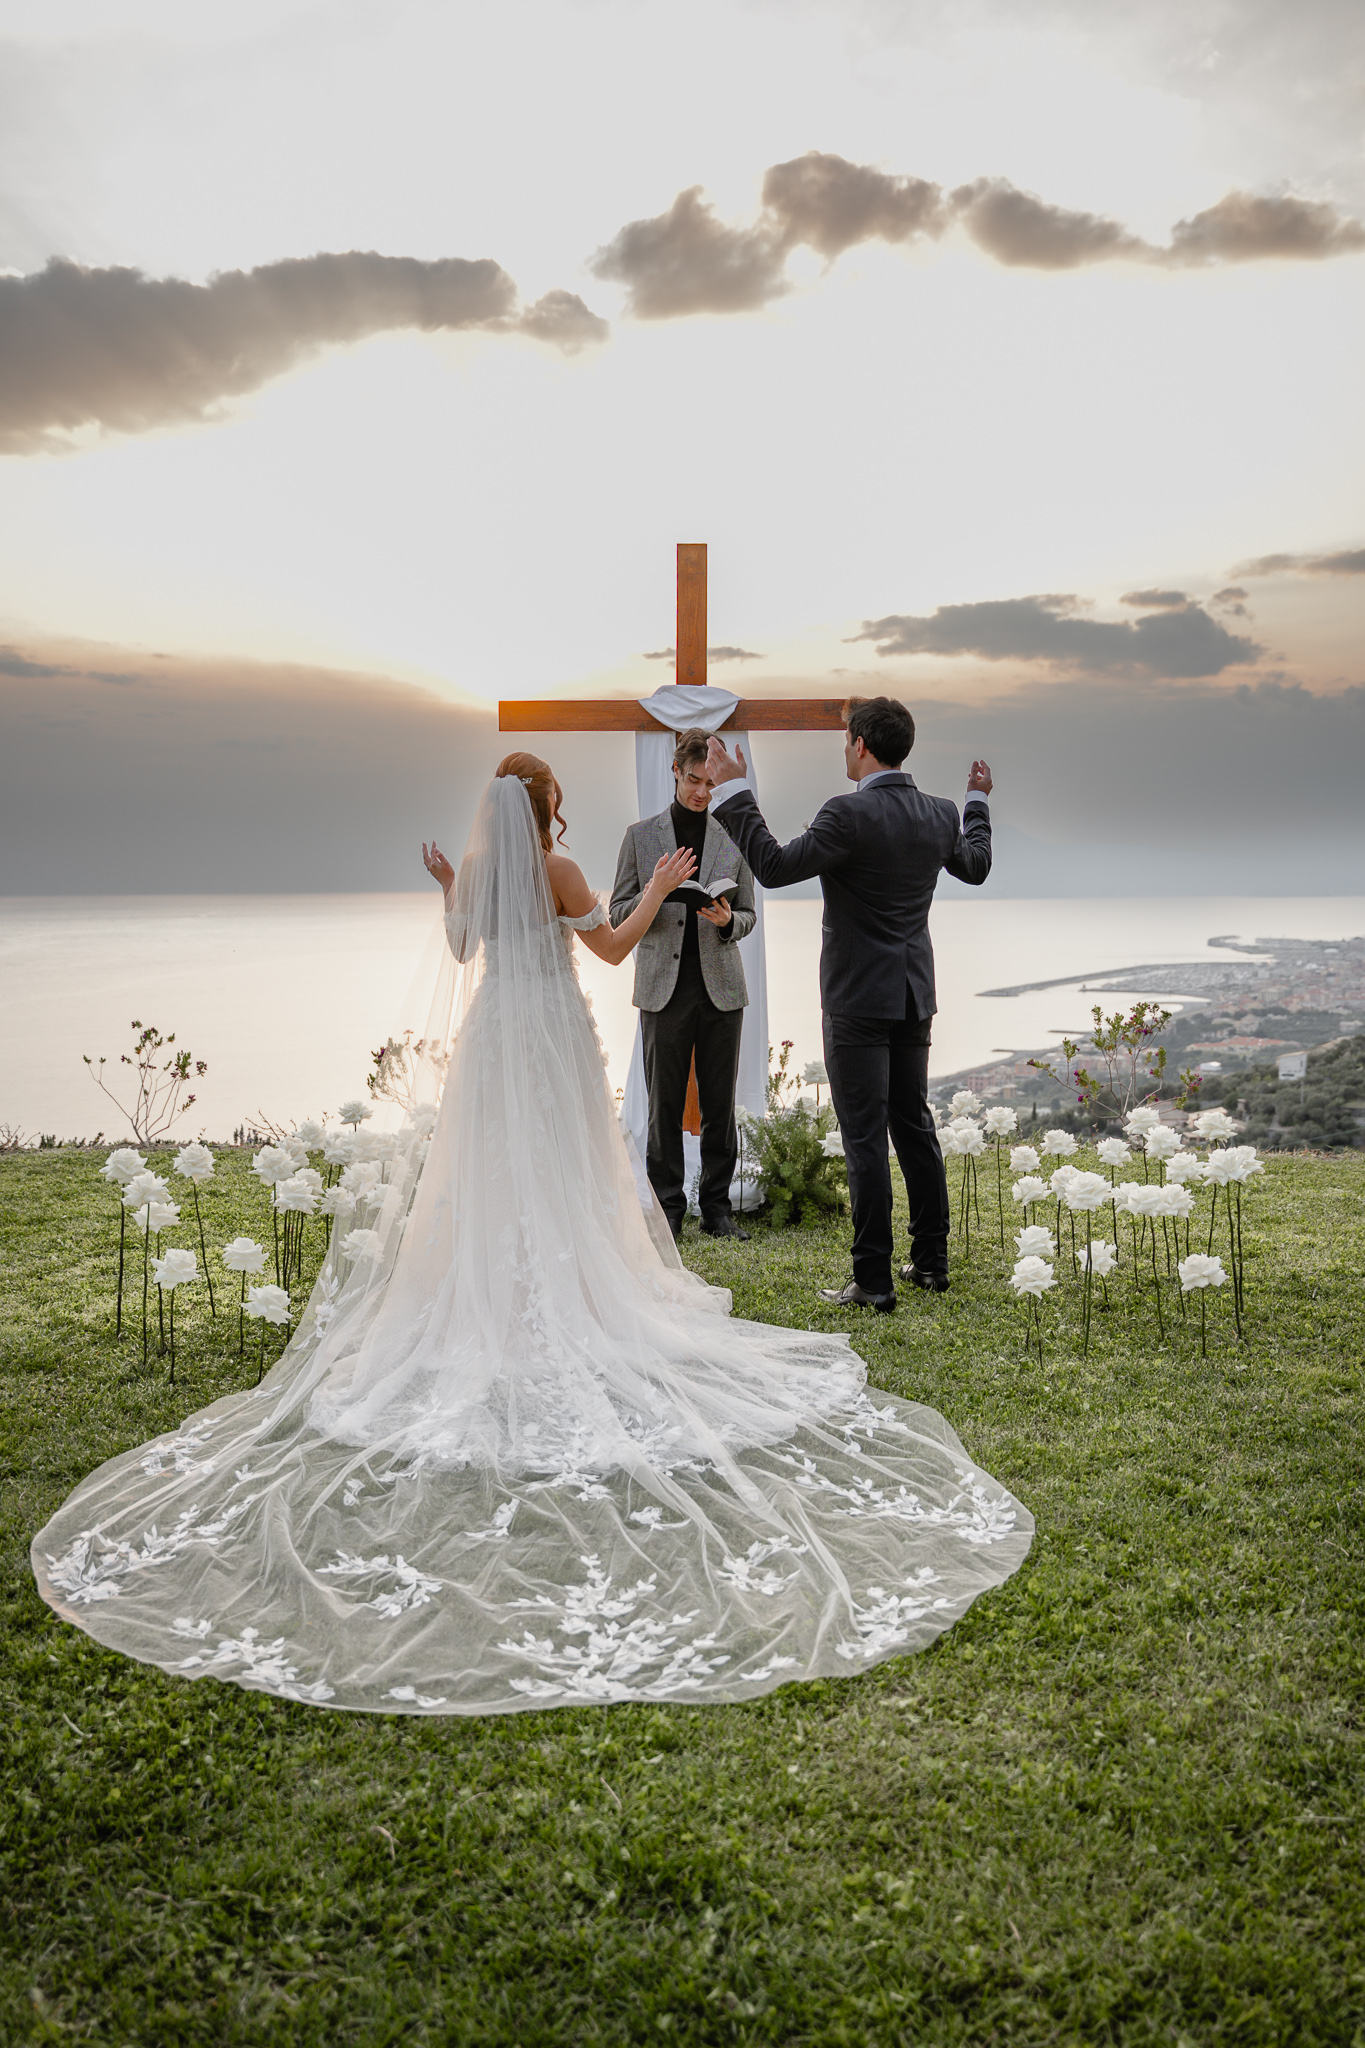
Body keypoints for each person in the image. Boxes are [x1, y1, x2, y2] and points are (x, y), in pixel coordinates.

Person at [32, 751, 1029, 1716]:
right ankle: (566, 1299)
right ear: (545, 805)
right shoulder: (555, 865)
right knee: (560, 1170)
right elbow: (607, 946)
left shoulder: (477, 869)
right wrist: (664, 886)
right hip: (548, 1036)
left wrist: (442, 886)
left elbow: (465, 946)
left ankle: (490, 1308)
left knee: (493, 1176)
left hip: (491, 1045)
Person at [707, 698, 992, 1312]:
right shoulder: (940, 814)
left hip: (857, 1000)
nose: (843, 749)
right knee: (914, 1126)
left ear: (862, 744)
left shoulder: (847, 813)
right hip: (914, 993)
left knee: (865, 1139)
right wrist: (976, 803)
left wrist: (734, 788)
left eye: (845, 740)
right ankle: (932, 1263)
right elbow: (976, 867)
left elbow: (776, 866)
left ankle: (874, 1281)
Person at [610, 728, 756, 1242]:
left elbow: (748, 915)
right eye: (693, 780)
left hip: (721, 987)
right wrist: (658, 889)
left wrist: (726, 920)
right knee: (663, 1105)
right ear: (676, 771)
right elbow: (617, 913)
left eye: (709, 784)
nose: (701, 792)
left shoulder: (734, 834)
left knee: (720, 1104)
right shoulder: (640, 836)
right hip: (661, 987)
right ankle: (667, 1210)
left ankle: (717, 1209)